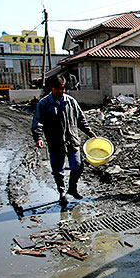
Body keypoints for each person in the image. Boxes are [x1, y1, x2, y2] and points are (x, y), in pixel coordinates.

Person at [31, 74, 96, 204]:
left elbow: (81, 120)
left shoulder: (71, 102)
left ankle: (72, 188)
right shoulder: (44, 104)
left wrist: (90, 133)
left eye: (63, 88)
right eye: (58, 89)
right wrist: (38, 137)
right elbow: (37, 122)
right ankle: (61, 193)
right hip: (55, 142)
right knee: (58, 170)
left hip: (72, 139)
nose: (61, 91)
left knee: (77, 166)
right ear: (52, 88)